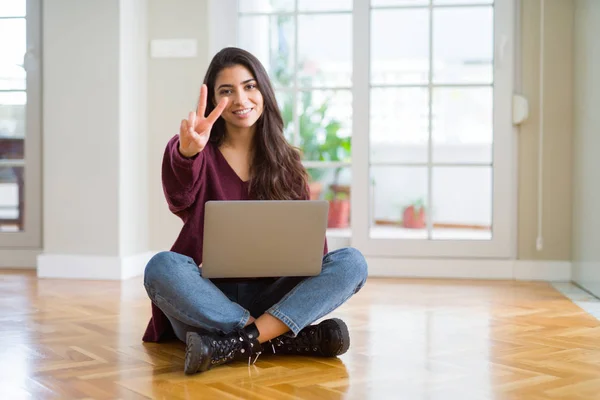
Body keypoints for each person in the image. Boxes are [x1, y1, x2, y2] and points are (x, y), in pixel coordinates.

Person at [142, 47, 368, 375]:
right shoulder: (195, 150)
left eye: (249, 86)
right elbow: (179, 197)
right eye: (226, 91)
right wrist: (187, 154)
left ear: (263, 91)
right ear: (212, 100)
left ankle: (237, 343)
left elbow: (313, 256)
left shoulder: (287, 163)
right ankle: (277, 338)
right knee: (161, 266)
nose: (240, 99)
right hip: (207, 301)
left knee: (353, 263)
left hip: (273, 296)